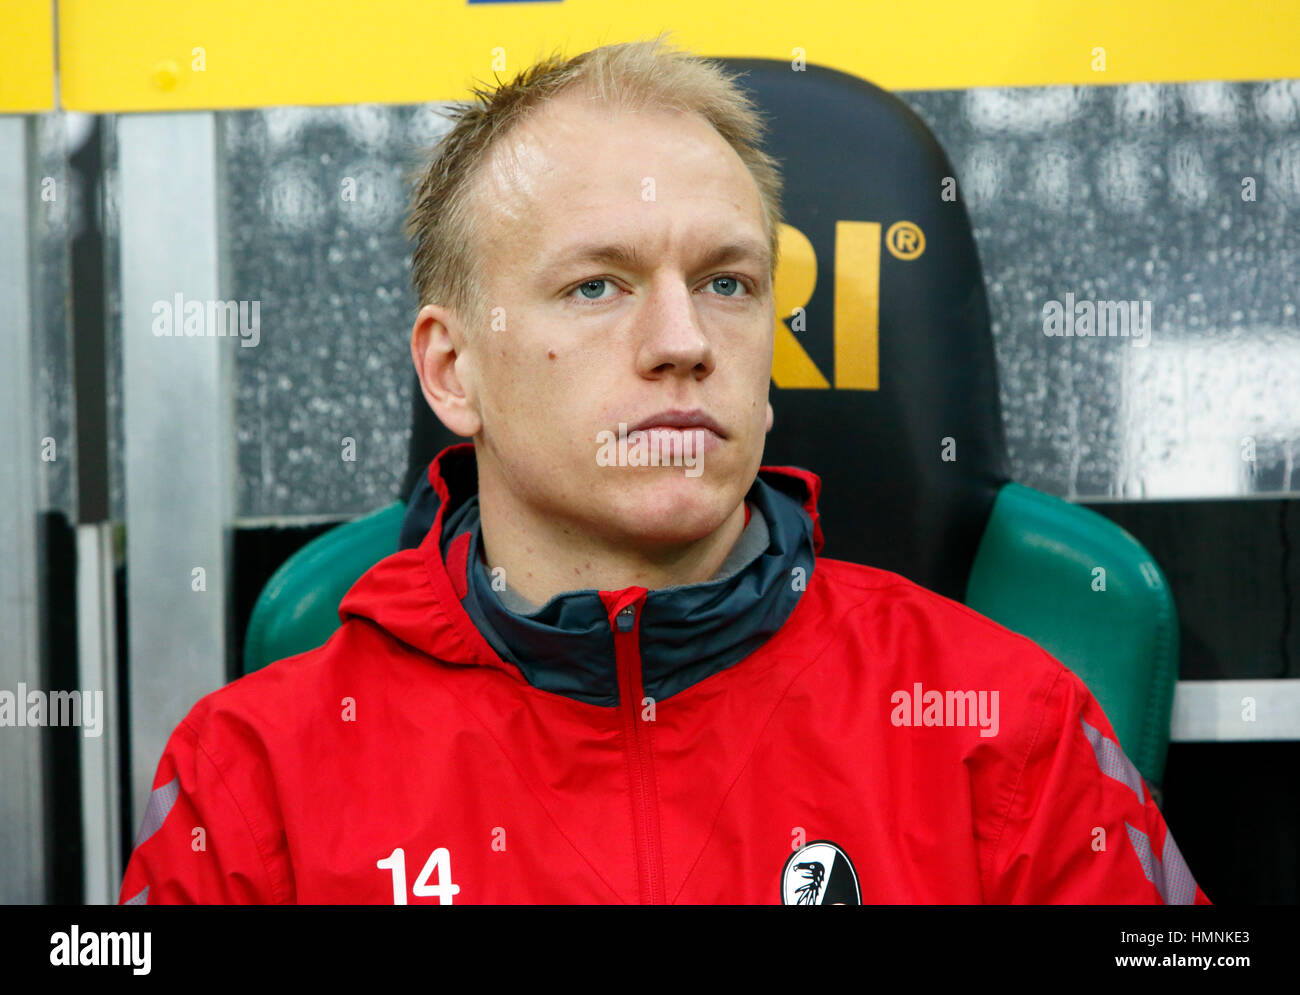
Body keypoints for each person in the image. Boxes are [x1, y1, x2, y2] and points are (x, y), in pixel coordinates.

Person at [118, 34, 1209, 905]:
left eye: (729, 282)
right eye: (598, 286)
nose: (683, 339)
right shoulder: (254, 778)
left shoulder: (1006, 728)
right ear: (453, 371)